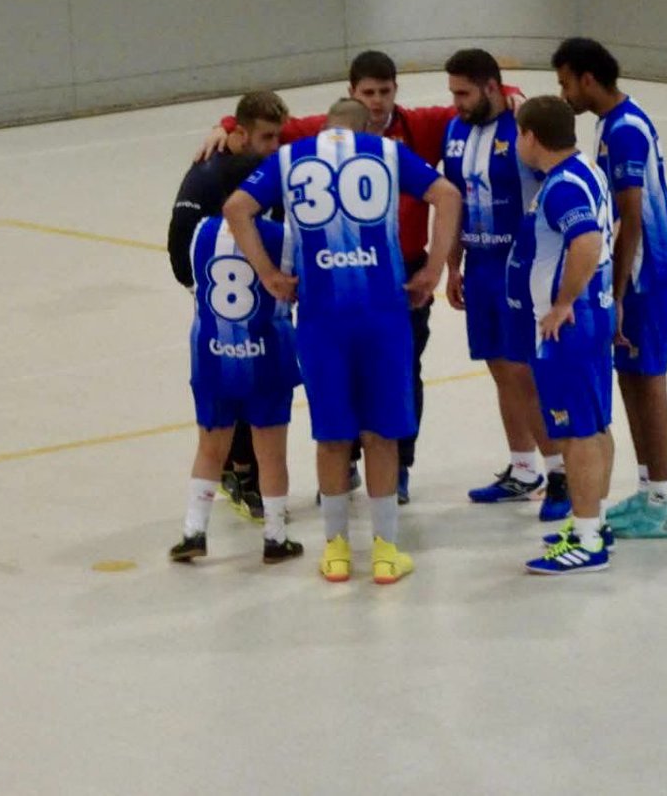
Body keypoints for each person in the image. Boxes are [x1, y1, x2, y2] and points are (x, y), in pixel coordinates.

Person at [198, 52, 523, 504]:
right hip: (334, 283)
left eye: (385, 91)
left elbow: (475, 105)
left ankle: (399, 469)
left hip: (401, 276)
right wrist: (224, 124)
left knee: (404, 372)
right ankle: (345, 463)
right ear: (352, 93)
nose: (376, 101)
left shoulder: (419, 127)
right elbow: (263, 124)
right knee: (339, 377)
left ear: (396, 92)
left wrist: (509, 93)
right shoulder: (323, 132)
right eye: (367, 93)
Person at [223, 98, 461, 584]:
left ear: (325, 126)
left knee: (332, 436)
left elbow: (236, 208)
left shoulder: (291, 158)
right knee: (381, 434)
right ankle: (385, 551)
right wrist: (434, 268)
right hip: (382, 313)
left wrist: (269, 274)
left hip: (321, 316)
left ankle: (335, 551)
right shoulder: (386, 152)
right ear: (366, 125)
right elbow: (447, 194)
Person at [551, 38, 667, 539]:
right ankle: (649, 488)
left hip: (649, 273)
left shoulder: (625, 131)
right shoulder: (611, 123)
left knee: (648, 380)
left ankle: (662, 501)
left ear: (588, 79)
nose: (563, 93)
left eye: (566, 82)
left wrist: (618, 293)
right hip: (639, 274)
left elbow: (630, 219)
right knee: (631, 379)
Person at [441, 48, 570, 521]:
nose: (455, 102)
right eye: (452, 92)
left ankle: (561, 473)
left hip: (520, 267)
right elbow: (454, 200)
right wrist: (453, 266)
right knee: (499, 368)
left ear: (492, 87)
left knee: (523, 372)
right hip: (479, 267)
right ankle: (523, 468)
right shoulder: (455, 130)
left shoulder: (521, 128)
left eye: (463, 92)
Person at [168, 91, 289, 523]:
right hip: (224, 302)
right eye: (267, 137)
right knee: (236, 379)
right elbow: (179, 242)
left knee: (259, 381)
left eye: (279, 137)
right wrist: (201, 292)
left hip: (264, 297)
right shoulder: (206, 174)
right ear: (239, 134)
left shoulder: (267, 166)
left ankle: (245, 471)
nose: (276, 146)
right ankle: (240, 473)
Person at [510, 96, 616, 575]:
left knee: (575, 434)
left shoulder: (560, 188)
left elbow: (588, 240)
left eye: (518, 134)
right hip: (594, 317)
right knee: (594, 426)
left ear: (531, 136)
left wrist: (563, 302)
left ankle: (588, 540)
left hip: (570, 328)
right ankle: (594, 519)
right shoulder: (587, 169)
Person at [167, 210, 303, 565]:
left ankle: (193, 531)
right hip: (265, 352)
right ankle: (275, 536)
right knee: (270, 452)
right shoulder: (282, 236)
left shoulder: (204, 231)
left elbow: (193, 281)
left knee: (210, 448)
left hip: (212, 353)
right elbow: (298, 288)